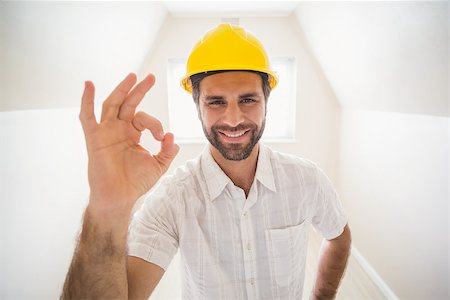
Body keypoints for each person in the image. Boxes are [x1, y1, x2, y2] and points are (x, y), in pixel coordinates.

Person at [61, 23, 351, 299]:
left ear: (266, 101)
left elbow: (339, 236)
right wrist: (107, 208)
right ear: (197, 105)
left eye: (248, 100)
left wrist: (322, 297)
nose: (234, 119)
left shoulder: (306, 179)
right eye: (216, 102)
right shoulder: (173, 198)